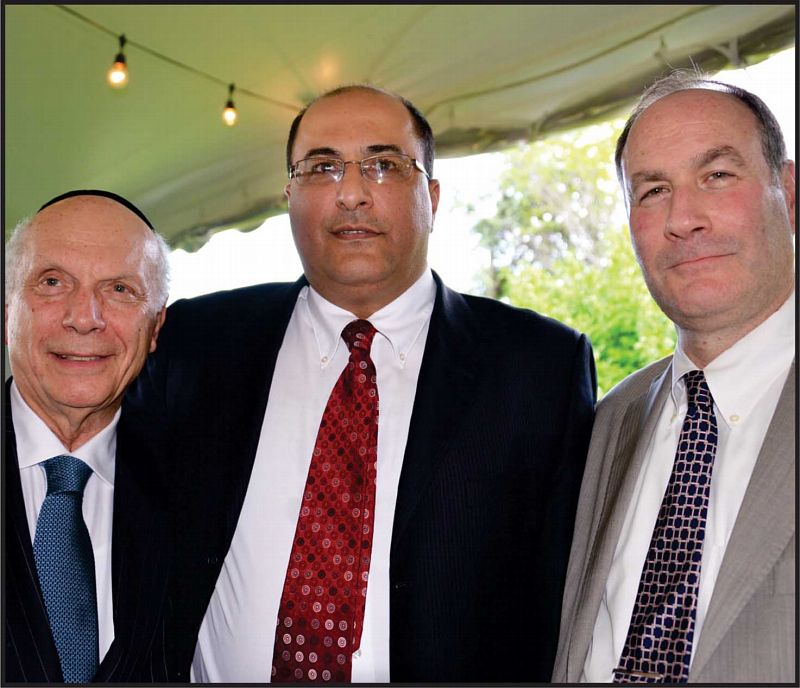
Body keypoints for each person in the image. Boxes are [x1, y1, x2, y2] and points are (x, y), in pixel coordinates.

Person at [123, 84, 597, 683]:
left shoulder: (539, 366)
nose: (351, 194)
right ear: (289, 195)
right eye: (321, 168)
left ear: (431, 195)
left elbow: (563, 591)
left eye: (383, 165)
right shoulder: (197, 342)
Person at [553, 71, 795, 683]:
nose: (683, 219)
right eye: (653, 190)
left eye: (717, 176)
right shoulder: (611, 419)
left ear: (789, 194)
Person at [4, 190, 173, 683]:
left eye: (120, 289)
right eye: (53, 283)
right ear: (8, 308)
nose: (84, 317)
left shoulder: (196, 489)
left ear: (156, 325)